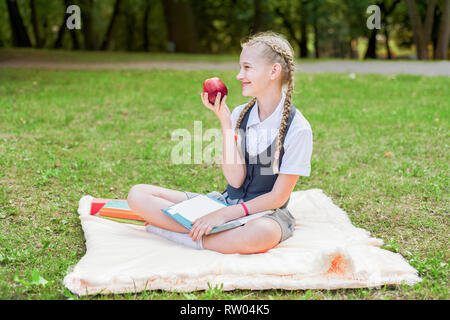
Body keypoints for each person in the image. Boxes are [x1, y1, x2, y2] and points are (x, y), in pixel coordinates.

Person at [127, 31, 313, 254]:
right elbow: (235, 181)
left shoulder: (298, 128)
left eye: (247, 67)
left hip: (265, 214)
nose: (238, 75)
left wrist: (224, 215)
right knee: (137, 195)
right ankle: (207, 235)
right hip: (226, 203)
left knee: (262, 234)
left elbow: (277, 197)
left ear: (274, 71)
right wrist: (225, 122)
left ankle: (180, 235)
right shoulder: (238, 114)